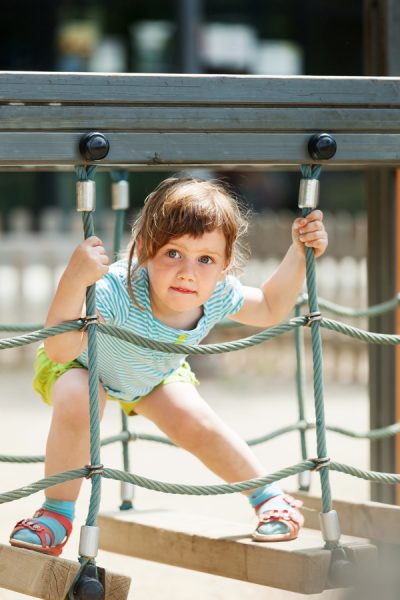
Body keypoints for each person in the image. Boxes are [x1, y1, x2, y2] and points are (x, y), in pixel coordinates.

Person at [10, 177, 327, 556]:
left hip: (154, 375)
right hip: (82, 362)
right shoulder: (118, 290)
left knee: (198, 423)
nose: (188, 272)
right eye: (173, 253)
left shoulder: (217, 295)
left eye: (205, 259)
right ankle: (56, 513)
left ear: (225, 264)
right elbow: (60, 348)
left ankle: (270, 497)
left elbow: (272, 307)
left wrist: (298, 249)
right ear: (144, 249)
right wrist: (75, 278)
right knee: (81, 397)